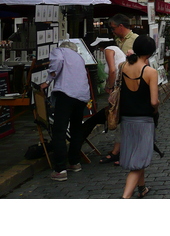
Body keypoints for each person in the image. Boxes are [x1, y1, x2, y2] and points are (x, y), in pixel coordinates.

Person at [40, 41, 91, 181]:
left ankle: (60, 169)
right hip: (81, 95)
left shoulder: (60, 51)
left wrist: (48, 81)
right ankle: (75, 162)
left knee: (59, 130)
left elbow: (57, 62)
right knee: (76, 128)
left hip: (66, 93)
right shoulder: (79, 57)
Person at [118, 35, 159, 199]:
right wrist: (156, 109)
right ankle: (125, 197)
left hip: (127, 118)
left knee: (137, 156)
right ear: (150, 53)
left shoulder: (123, 66)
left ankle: (142, 188)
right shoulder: (150, 72)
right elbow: (154, 101)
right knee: (139, 160)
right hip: (144, 120)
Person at [100, 14, 139, 165]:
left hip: (131, 85)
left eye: (114, 28)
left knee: (127, 118)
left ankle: (124, 151)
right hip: (120, 86)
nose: (113, 31)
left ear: (121, 26)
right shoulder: (116, 42)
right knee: (121, 117)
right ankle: (120, 150)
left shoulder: (135, 39)